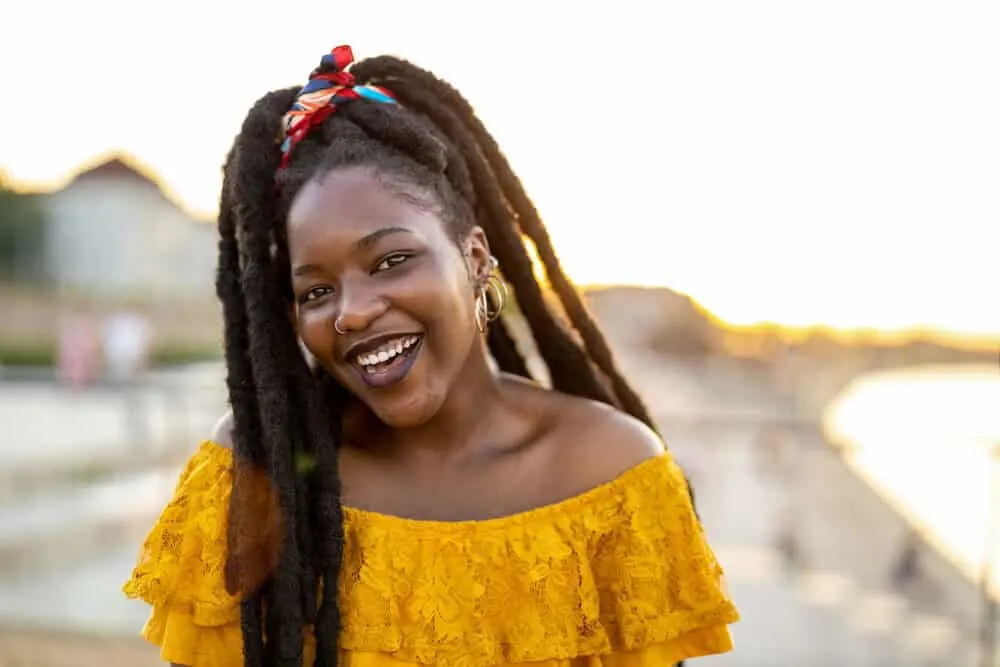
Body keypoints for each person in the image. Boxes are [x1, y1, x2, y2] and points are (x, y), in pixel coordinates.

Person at [123, 45, 739, 667]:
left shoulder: (612, 473)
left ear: (475, 260)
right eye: (315, 291)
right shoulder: (255, 471)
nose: (352, 311)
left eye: (391, 260)